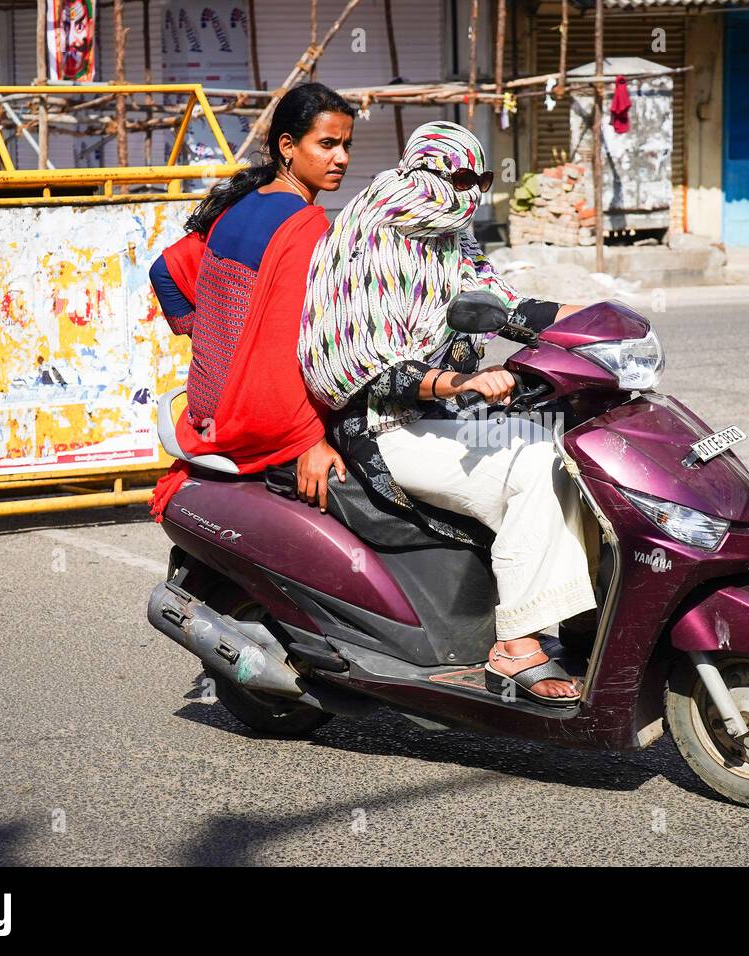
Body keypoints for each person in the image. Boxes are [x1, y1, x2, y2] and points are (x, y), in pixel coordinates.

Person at [299, 121, 595, 707]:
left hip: (445, 412)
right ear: (424, 174)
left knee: (572, 451)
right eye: (463, 178)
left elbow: (503, 307)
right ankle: (515, 644)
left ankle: (580, 620)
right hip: (383, 424)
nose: (475, 192)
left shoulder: (452, 236)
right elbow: (366, 362)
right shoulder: (374, 236)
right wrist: (460, 381)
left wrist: (592, 319)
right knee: (536, 464)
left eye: (482, 179)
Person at [148, 82, 355, 519]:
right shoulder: (306, 227)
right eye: (328, 144)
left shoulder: (238, 205)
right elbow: (287, 348)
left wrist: (211, 333)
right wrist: (308, 440)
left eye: (346, 145)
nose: (342, 158)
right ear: (287, 146)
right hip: (250, 419)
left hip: (204, 404)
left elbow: (164, 271)